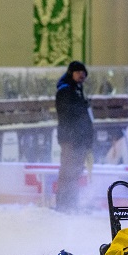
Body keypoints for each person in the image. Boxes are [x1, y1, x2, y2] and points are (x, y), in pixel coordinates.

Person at [55, 60, 94, 212]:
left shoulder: (77, 90)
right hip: (71, 139)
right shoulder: (66, 91)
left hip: (79, 139)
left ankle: (71, 203)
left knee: (75, 171)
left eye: (84, 73)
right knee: (68, 171)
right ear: (71, 73)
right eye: (78, 72)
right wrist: (82, 106)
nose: (82, 75)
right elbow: (66, 114)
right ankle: (64, 204)